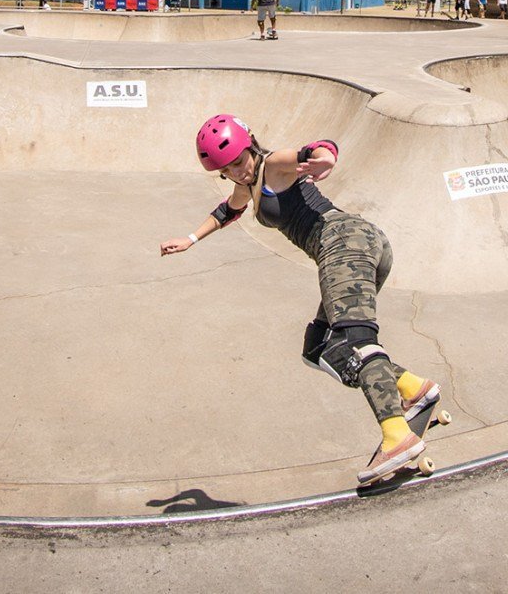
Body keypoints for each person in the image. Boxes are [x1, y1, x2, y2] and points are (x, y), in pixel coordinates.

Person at [163, 115, 442, 486]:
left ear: (251, 145)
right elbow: (228, 210)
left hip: (343, 242)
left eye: (240, 161)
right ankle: (411, 387)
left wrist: (325, 158)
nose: (238, 173)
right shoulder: (249, 184)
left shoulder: (274, 166)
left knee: (357, 343)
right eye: (227, 170)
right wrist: (190, 239)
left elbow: (317, 149)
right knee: (318, 348)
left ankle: (396, 435)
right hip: (348, 247)